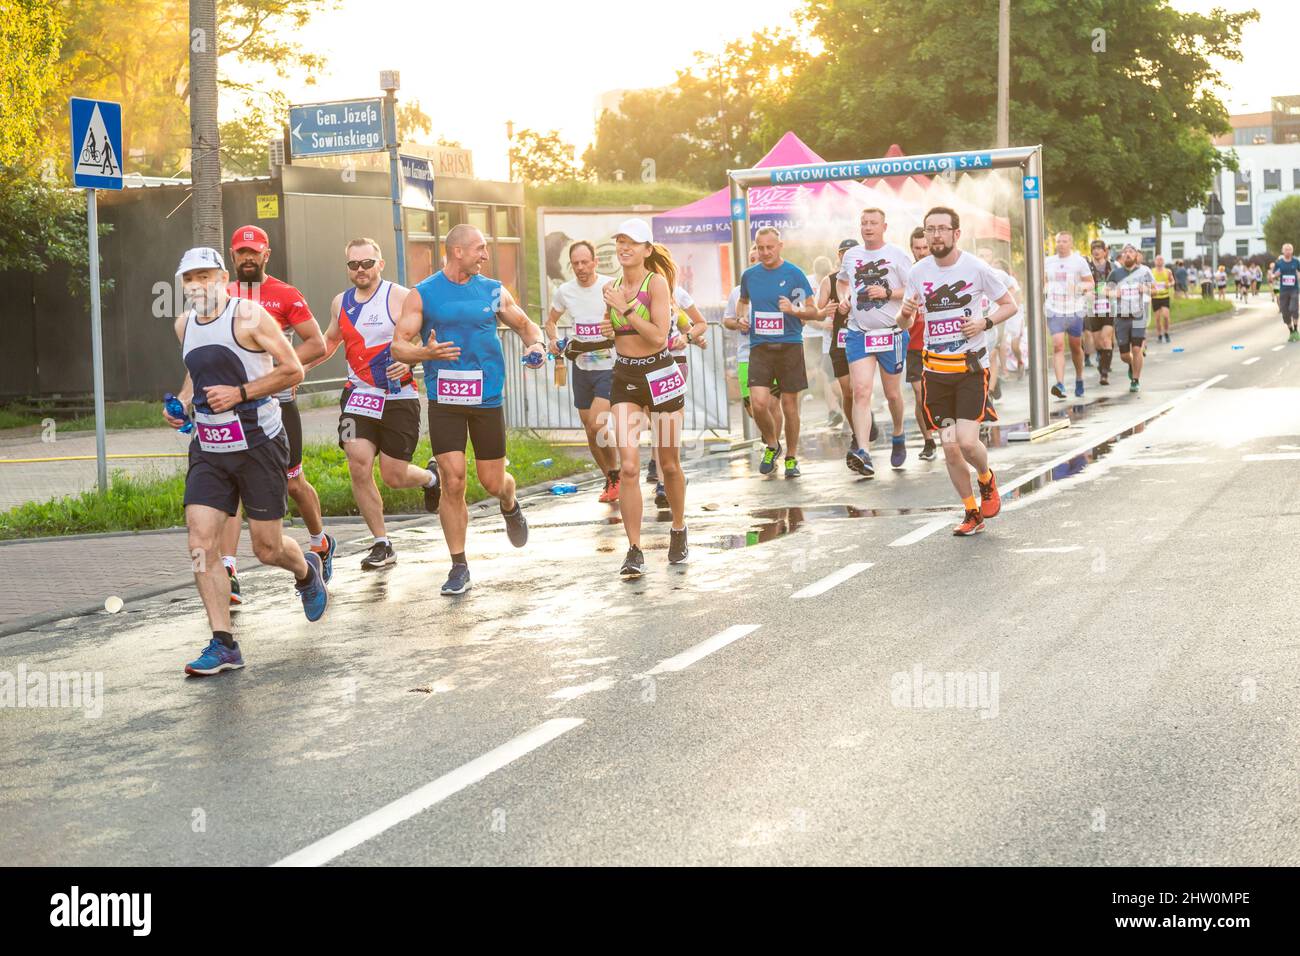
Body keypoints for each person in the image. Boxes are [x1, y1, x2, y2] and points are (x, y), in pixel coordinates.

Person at [164, 248, 328, 676]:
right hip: (210, 448)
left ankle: (305, 569)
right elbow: (193, 374)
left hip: (258, 444)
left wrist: (240, 394)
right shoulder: (183, 325)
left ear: (222, 277)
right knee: (201, 544)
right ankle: (223, 643)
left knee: (267, 548)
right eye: (189, 279)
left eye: (205, 276)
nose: (198, 285)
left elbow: (293, 370)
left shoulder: (250, 317)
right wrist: (181, 403)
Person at [392, 224, 540, 595]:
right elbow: (398, 347)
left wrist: (535, 346)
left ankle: (509, 502)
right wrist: (425, 354)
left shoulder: (492, 291)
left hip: (487, 399)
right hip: (446, 401)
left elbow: (525, 325)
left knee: (492, 482)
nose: (485, 255)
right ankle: (459, 565)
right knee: (453, 478)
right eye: (480, 248)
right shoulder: (422, 295)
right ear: (457, 251)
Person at [219, 225, 334, 606]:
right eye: (241, 252)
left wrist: (280, 370)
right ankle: (229, 572)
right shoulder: (222, 295)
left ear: (266, 255)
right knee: (232, 490)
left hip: (278, 404)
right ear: (233, 256)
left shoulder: (285, 295)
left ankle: (319, 542)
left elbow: (316, 344)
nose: (248, 258)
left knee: (293, 483)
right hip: (234, 406)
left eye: (254, 252)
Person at [310, 238, 439, 570]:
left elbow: (428, 340)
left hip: (399, 396)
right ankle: (382, 542)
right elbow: (329, 341)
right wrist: (296, 369)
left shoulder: (400, 296)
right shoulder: (341, 302)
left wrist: (413, 364)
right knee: (358, 462)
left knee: (394, 475)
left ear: (380, 264)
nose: (360, 270)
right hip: (359, 395)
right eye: (353, 265)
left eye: (367, 263)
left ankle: (429, 478)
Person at [900, 208, 1017, 536]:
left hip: (969, 368)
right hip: (935, 372)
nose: (935, 235)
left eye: (941, 229)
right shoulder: (918, 272)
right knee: (950, 446)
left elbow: (1010, 304)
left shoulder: (976, 268)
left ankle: (986, 479)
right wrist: (904, 315)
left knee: (967, 442)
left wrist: (984, 322)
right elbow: (905, 323)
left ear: (956, 233)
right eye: (929, 230)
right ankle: (971, 512)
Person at [597, 218, 688, 576]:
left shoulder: (657, 283)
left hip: (660, 375)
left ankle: (678, 528)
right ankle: (634, 549)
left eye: (632, 242)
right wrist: (609, 327)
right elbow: (617, 332)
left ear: (647, 250)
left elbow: (657, 336)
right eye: (620, 241)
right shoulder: (611, 286)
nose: (624, 247)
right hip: (626, 377)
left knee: (668, 465)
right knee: (630, 466)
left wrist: (625, 310)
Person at [836, 208, 913, 476]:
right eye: (864, 223)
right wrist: (845, 299)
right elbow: (842, 282)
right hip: (860, 332)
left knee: (892, 394)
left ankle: (899, 432)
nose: (868, 227)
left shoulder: (897, 255)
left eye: (873, 223)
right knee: (861, 391)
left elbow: (914, 289)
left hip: (890, 332)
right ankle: (864, 451)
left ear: (884, 226)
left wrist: (888, 291)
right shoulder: (851, 256)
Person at [737, 226, 819, 478]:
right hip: (760, 346)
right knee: (759, 403)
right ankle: (772, 445)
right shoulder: (750, 275)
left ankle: (792, 457)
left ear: (779, 246)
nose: (764, 252)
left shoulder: (794, 274)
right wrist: (741, 317)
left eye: (769, 247)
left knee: (789, 405)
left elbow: (813, 310)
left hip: (789, 345)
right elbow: (743, 302)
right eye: (760, 248)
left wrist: (793, 311)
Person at [546, 240, 619, 502]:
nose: (580, 268)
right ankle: (610, 477)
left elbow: (627, 315)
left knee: (598, 423)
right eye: (575, 263)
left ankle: (616, 474)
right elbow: (551, 321)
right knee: (589, 429)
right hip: (582, 367)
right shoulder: (565, 291)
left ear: (595, 262)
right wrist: (553, 340)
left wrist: (615, 327)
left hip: (608, 366)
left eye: (584, 262)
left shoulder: (609, 285)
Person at [725, 246, 785, 444]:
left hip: (773, 353)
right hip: (746, 355)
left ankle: (773, 446)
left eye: (758, 258)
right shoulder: (738, 291)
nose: (755, 261)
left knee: (773, 404)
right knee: (754, 408)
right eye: (751, 259)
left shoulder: (778, 286)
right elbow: (727, 320)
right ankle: (768, 431)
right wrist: (738, 323)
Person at [816, 239, 858, 448]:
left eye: (853, 252)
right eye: (844, 253)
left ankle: (861, 428)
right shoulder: (829, 281)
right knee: (847, 391)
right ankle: (853, 428)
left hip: (862, 341)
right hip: (839, 342)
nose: (848, 256)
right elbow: (817, 311)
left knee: (860, 389)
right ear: (839, 255)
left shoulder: (866, 279)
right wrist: (826, 315)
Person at [1043, 232, 1091, 399]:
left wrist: (1077, 288)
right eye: (1058, 241)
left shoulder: (1079, 261)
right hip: (1054, 308)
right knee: (1058, 345)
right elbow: (1043, 282)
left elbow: (1090, 283)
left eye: (1064, 241)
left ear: (1071, 243)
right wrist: (1047, 288)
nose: (1061, 244)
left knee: (1075, 346)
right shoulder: (1048, 261)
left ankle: (1079, 378)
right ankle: (1060, 384)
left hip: (1074, 309)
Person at [905, 228, 938, 460]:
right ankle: (929, 441)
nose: (922, 252)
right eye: (917, 248)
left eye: (925, 248)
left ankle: (951, 434)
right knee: (919, 395)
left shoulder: (942, 270)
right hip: (914, 346)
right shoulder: (908, 274)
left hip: (940, 344)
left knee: (939, 394)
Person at [1108, 244, 1153, 393]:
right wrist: (1115, 293)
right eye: (1125, 252)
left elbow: (1155, 289)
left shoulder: (1144, 272)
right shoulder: (1115, 273)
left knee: (1136, 348)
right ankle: (1131, 364)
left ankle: (1135, 379)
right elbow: (1102, 290)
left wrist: (1145, 289)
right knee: (1125, 355)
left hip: (1138, 315)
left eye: (1131, 252)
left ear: (1136, 256)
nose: (1128, 254)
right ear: (1121, 256)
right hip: (1121, 317)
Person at [1084, 240, 1117, 385]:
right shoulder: (1086, 267)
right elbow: (1080, 284)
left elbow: (1122, 283)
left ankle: (1104, 372)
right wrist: (1086, 291)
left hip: (1109, 306)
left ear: (1105, 251)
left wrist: (1112, 292)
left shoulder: (1113, 267)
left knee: (1106, 338)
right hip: (1093, 307)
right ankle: (1102, 358)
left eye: (1099, 248)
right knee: (1097, 342)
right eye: (1094, 249)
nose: (1096, 251)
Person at [1272, 244, 1300, 340]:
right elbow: (1273, 274)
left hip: (1294, 289)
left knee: (1293, 308)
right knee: (1285, 312)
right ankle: (1291, 331)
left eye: (1289, 249)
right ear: (1282, 251)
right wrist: (1274, 275)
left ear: (1292, 251)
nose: (1288, 251)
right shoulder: (1279, 263)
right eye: (1286, 249)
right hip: (1283, 290)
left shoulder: (1296, 262)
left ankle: (1296, 329)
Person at [1150, 254, 1174, 344]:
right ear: (1155, 261)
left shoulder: (1168, 271)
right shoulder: (1151, 272)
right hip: (1155, 297)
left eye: (1161, 260)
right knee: (1157, 318)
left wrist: (1170, 284)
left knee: (1166, 316)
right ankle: (1159, 335)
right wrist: (1150, 289)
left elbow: (1172, 281)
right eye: (1158, 260)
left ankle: (1166, 333)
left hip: (1165, 296)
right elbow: (1147, 282)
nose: (1159, 261)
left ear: (1163, 261)